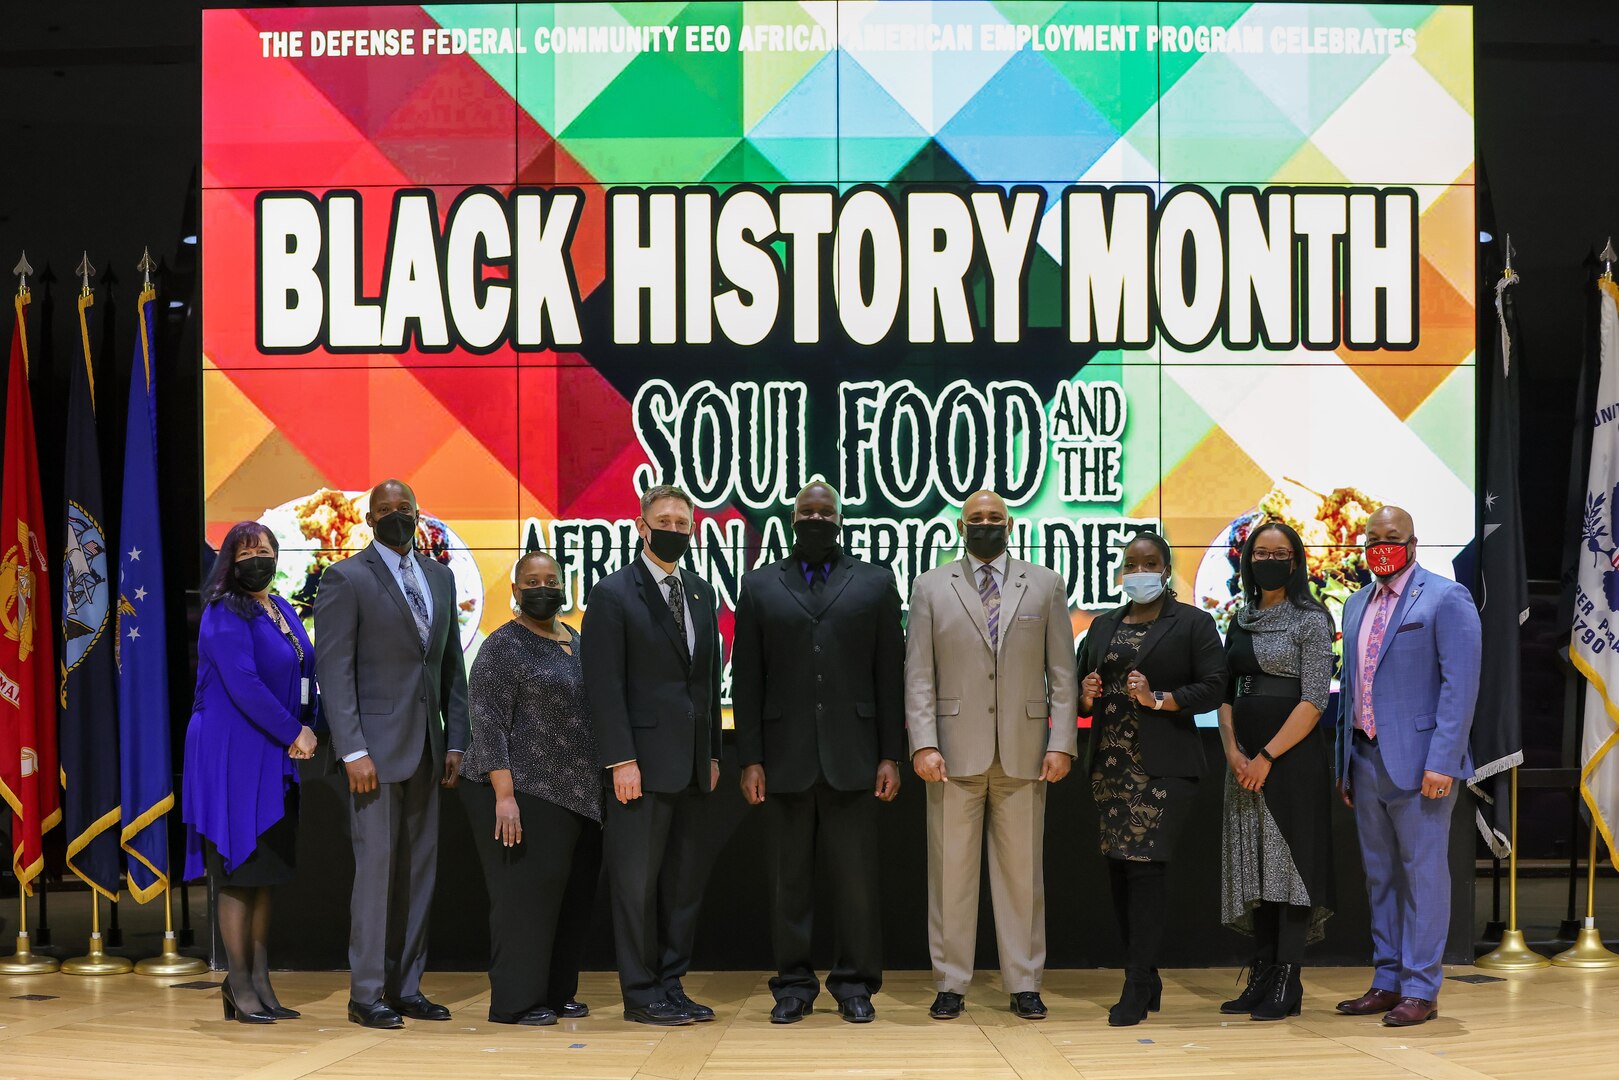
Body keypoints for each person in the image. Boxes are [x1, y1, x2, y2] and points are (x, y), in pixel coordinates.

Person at [732, 481, 905, 1025]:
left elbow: (889, 675)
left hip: (855, 755)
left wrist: (890, 755)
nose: (815, 520)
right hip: (782, 758)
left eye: (824, 513)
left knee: (856, 884)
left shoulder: (876, 582)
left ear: (839, 520)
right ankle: (794, 986)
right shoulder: (759, 585)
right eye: (806, 513)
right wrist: (750, 757)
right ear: (790, 520)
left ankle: (855, 984)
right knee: (789, 884)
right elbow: (748, 680)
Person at [905, 489, 1078, 1023]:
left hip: (1026, 754)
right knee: (950, 874)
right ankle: (951, 984)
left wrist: (1061, 741)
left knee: (1023, 877)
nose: (986, 525)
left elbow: (1063, 674)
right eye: (976, 518)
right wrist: (924, 742)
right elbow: (919, 674)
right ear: (961, 526)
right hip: (952, 756)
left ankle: (1024, 981)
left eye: (994, 518)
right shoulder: (931, 586)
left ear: (1010, 523)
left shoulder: (1045, 584)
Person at [314, 479, 470, 1030]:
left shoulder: (441, 577)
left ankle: (407, 986)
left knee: (419, 874)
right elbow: (334, 672)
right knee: (377, 873)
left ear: (419, 514)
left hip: (428, 747)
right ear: (368, 518)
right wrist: (351, 748)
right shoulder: (346, 578)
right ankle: (367, 993)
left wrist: (457, 740)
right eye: (385, 510)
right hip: (372, 756)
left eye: (404, 509)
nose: (396, 516)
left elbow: (451, 665)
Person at [582, 484, 723, 1027]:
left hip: (691, 766)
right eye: (663, 520)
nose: (674, 530)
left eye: (683, 524)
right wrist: (620, 760)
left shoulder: (702, 592)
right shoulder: (614, 593)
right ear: (642, 526)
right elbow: (604, 685)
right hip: (638, 766)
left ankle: (672, 982)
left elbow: (705, 682)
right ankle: (641, 993)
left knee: (682, 886)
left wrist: (710, 753)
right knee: (636, 887)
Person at [1335, 506, 1480, 1027]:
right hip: (1365, 757)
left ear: (1413, 543)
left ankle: (1421, 988)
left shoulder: (1446, 597)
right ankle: (1387, 978)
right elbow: (1353, 687)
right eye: (1372, 539)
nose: (1381, 546)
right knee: (1381, 878)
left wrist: (1443, 760)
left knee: (1423, 877)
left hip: (1423, 766)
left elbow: (1459, 687)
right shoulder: (1354, 604)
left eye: (1391, 538)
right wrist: (1344, 762)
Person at [1077, 532, 1226, 1027]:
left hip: (1163, 766)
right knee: (1120, 869)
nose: (1139, 571)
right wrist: (1087, 692)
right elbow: (1079, 693)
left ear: (1165, 569)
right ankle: (1147, 975)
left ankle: (1136, 980)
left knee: (1145, 867)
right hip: (1110, 767)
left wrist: (1159, 698)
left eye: (1150, 562)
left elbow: (1214, 686)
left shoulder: (1193, 623)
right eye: (1131, 563)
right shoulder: (1102, 626)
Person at [459, 551, 602, 1026]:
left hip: (580, 796)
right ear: (515, 592)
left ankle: (557, 992)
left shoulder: (577, 641)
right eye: (532, 581)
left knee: (571, 900)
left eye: (552, 580)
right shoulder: (502, 646)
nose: (543, 588)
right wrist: (504, 795)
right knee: (525, 900)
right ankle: (516, 1002)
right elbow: (488, 722)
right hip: (524, 793)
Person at [183, 521, 318, 1024]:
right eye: (246, 552)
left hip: (271, 753)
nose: (256, 558)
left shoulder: (280, 607)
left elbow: (304, 669)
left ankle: (260, 981)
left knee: (265, 874)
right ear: (229, 562)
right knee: (240, 873)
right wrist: (293, 731)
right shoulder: (223, 610)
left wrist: (308, 723)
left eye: (264, 549)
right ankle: (237, 983)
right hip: (231, 751)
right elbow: (243, 683)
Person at [1216, 522, 1337, 1021]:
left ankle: (1289, 978)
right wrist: (1233, 752)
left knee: (1292, 869)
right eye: (1259, 552)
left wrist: (1266, 756)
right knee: (1255, 865)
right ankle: (1262, 972)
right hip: (1241, 759)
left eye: (1279, 552)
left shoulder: (1312, 617)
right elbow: (1224, 692)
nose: (1268, 559)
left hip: (1290, 760)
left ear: (1295, 560)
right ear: (1246, 561)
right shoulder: (1238, 619)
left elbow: (1313, 699)